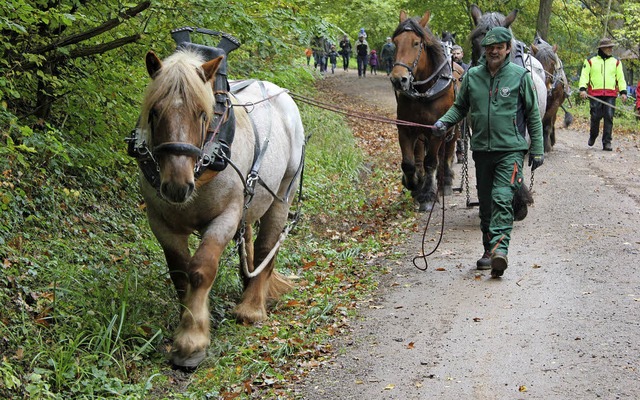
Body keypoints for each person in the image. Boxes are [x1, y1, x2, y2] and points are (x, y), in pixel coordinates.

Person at [434, 27, 544, 278]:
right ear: (485, 50)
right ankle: (488, 252)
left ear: (508, 49)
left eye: (499, 47)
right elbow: (460, 108)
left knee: (502, 198)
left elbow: (533, 117)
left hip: (511, 150)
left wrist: (537, 149)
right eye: (489, 47)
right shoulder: (472, 77)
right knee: (485, 205)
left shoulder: (520, 76)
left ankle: (500, 251)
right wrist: (443, 122)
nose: (494, 51)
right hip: (482, 151)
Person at [578, 38, 628, 151]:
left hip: (610, 94)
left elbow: (620, 78)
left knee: (609, 117)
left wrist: (623, 91)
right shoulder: (590, 60)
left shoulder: (616, 61)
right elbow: (584, 75)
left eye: (611, 47)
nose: (611, 49)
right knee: (595, 116)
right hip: (595, 93)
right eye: (609, 47)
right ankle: (593, 135)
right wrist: (582, 89)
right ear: (602, 48)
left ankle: (607, 142)